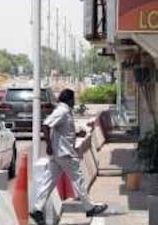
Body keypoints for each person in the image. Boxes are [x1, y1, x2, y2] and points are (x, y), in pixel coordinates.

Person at [29, 89, 108, 225]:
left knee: (49, 181)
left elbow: (64, 132)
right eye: (73, 99)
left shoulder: (65, 110)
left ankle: (37, 209)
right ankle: (89, 207)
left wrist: (78, 133)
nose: (74, 102)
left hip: (60, 153)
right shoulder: (63, 110)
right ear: (69, 99)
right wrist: (48, 145)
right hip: (64, 153)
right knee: (78, 179)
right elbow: (46, 125)